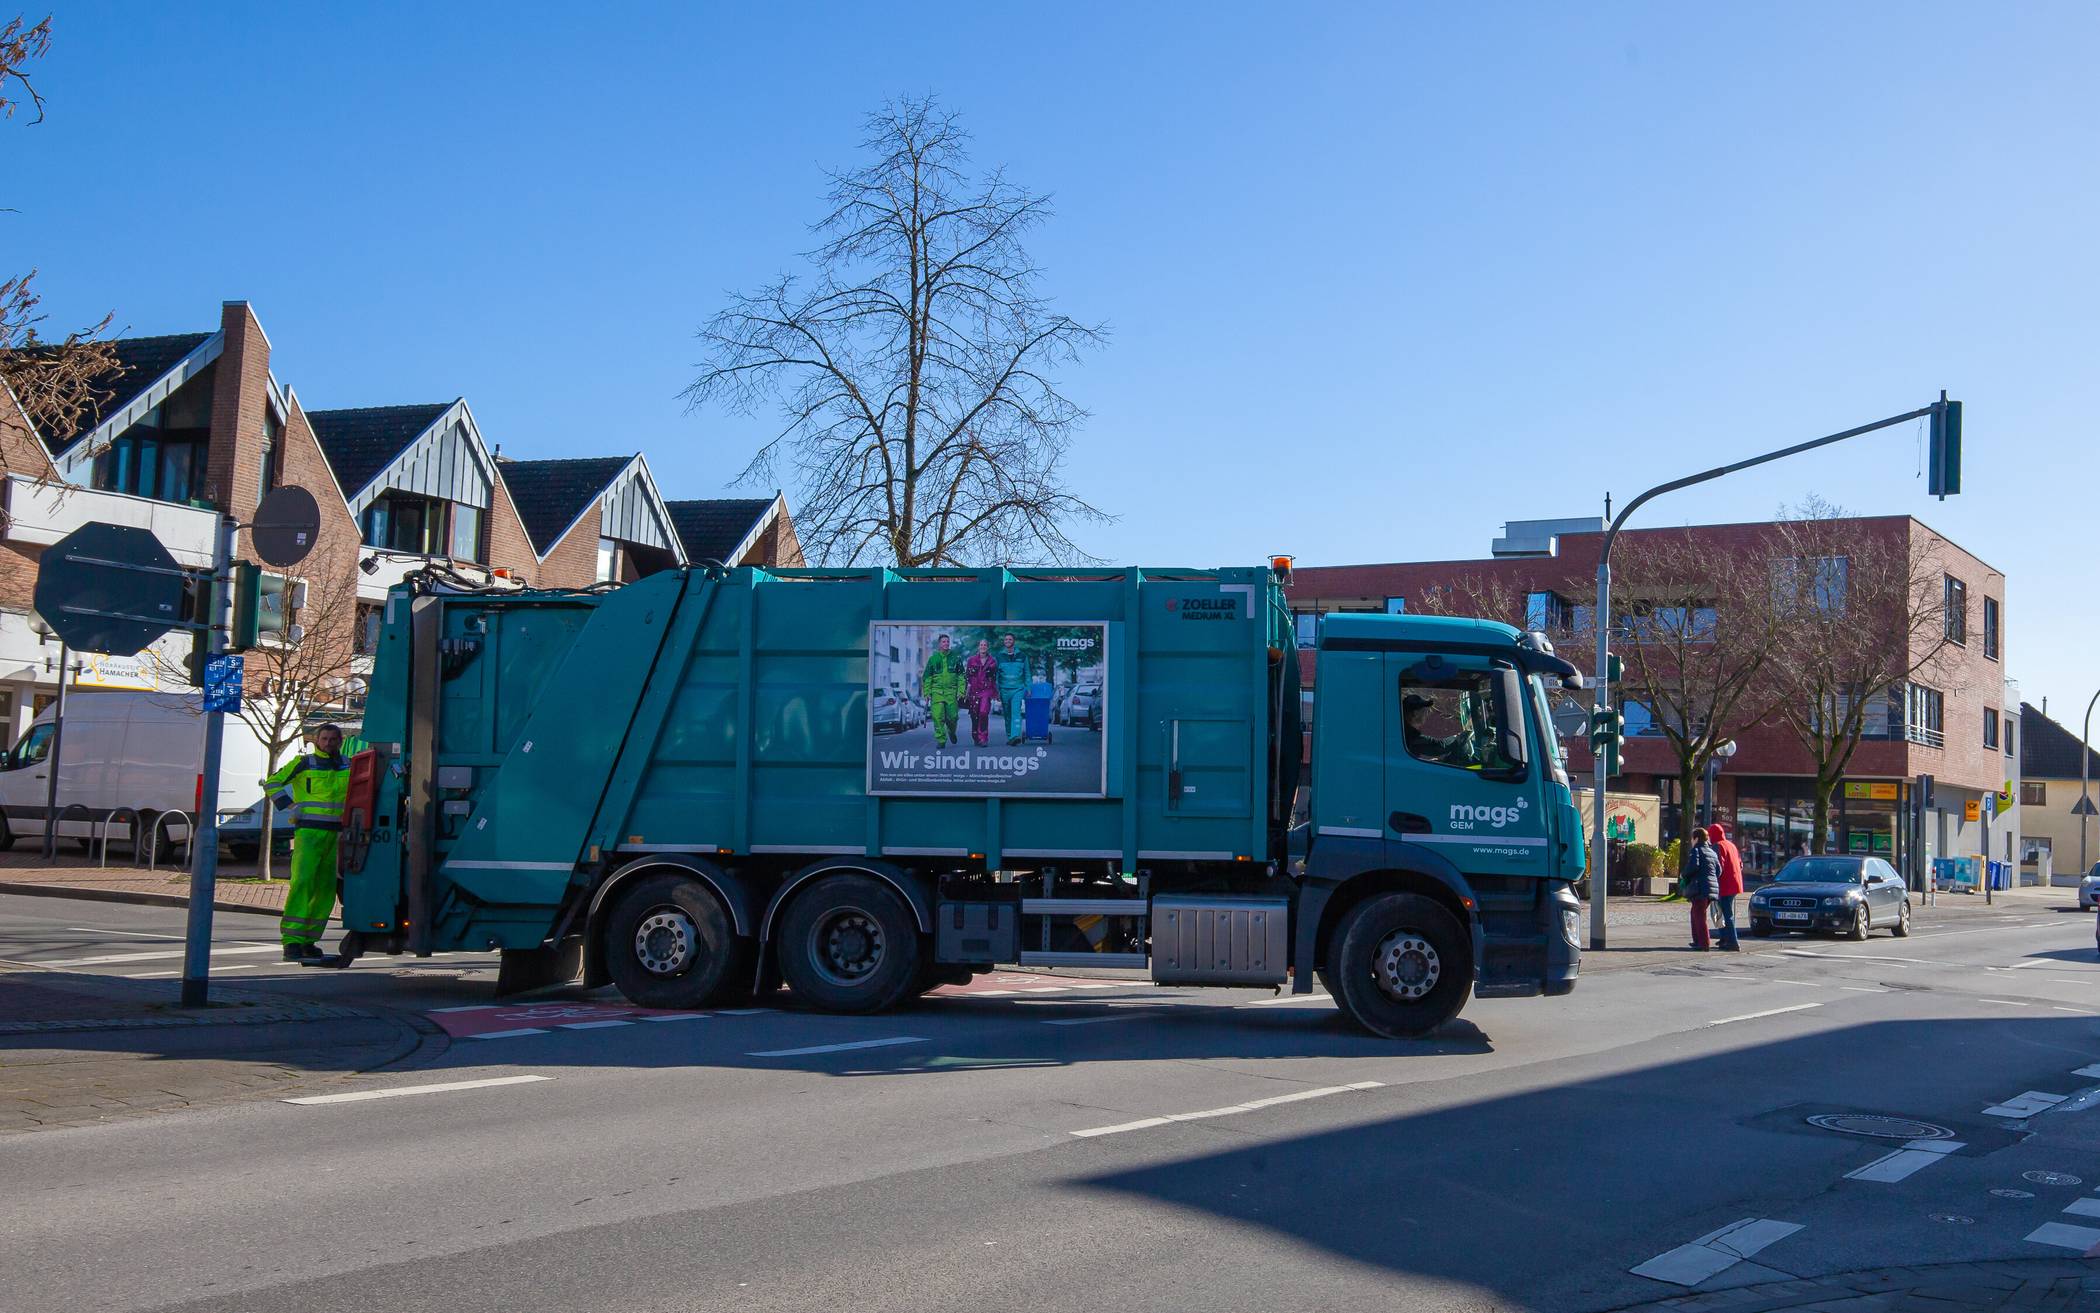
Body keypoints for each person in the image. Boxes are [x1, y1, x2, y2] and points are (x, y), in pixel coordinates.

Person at [261, 722, 351, 961]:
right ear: (316, 740)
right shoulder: (304, 763)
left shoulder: (348, 765)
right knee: (302, 885)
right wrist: (290, 805)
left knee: (325, 890)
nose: (328, 743)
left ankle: (310, 941)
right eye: (324, 739)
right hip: (309, 834)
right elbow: (271, 783)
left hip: (337, 835)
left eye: (333, 739)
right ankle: (292, 941)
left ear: (340, 741)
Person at [1681, 829, 1720, 951]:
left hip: (1700, 888)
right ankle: (1697, 940)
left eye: (1692, 839)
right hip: (1710, 888)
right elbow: (1719, 870)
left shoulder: (1696, 850)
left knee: (1699, 916)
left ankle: (1703, 943)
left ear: (1696, 838)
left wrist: (1684, 874)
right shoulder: (1712, 852)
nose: (1691, 841)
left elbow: (1693, 866)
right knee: (1696, 913)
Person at [921, 635, 963, 747]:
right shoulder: (933, 659)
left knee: (953, 717)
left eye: (948, 641)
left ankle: (951, 731)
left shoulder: (956, 658)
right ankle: (941, 740)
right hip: (937, 692)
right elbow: (927, 678)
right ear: (939, 644)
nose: (946, 643)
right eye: (944, 641)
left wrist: (961, 691)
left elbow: (961, 676)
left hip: (951, 692)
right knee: (937, 716)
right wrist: (927, 693)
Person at [1708, 822, 1744, 951]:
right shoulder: (1731, 845)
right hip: (1735, 883)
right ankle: (1725, 938)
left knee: (1724, 913)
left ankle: (1732, 941)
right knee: (1725, 912)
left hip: (1724, 884)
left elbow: (1718, 867)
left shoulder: (1718, 846)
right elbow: (1740, 864)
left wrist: (1712, 881)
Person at [1403, 694, 1464, 764]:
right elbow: (1440, 747)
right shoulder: (1410, 736)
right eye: (1424, 710)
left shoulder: (1405, 733)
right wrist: (1459, 736)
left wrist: (1427, 762)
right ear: (1415, 713)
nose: (1427, 713)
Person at [996, 633, 1031, 745]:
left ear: (1014, 641)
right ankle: (1010, 737)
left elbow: (1027, 673)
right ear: (1004, 642)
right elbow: (996, 675)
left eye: (1010, 639)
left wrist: (1028, 687)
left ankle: (1015, 735)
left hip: (1018, 689)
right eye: (1006, 639)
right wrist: (996, 690)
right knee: (1007, 714)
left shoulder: (1022, 656)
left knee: (1016, 712)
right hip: (1004, 689)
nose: (1008, 641)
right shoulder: (999, 656)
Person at [963, 638, 999, 747]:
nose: (983, 647)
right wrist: (965, 692)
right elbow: (967, 677)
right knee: (974, 715)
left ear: (987, 647)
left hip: (986, 691)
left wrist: (996, 693)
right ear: (978, 647)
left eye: (985, 645)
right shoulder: (971, 660)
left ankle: (983, 738)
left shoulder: (992, 661)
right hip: (974, 691)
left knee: (983, 712)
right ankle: (975, 736)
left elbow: (993, 678)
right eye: (981, 645)